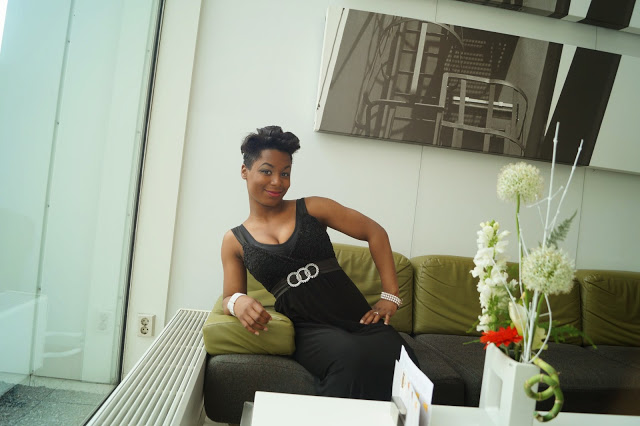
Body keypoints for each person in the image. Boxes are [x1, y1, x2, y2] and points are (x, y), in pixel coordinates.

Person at [221, 125, 418, 401]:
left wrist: (391, 295)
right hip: (309, 329)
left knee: (402, 359)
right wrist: (237, 303)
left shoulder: (313, 208)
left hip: (358, 316)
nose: (277, 181)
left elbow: (374, 232)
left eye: (285, 173)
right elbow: (229, 297)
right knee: (349, 359)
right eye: (266, 171)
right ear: (245, 171)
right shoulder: (234, 241)